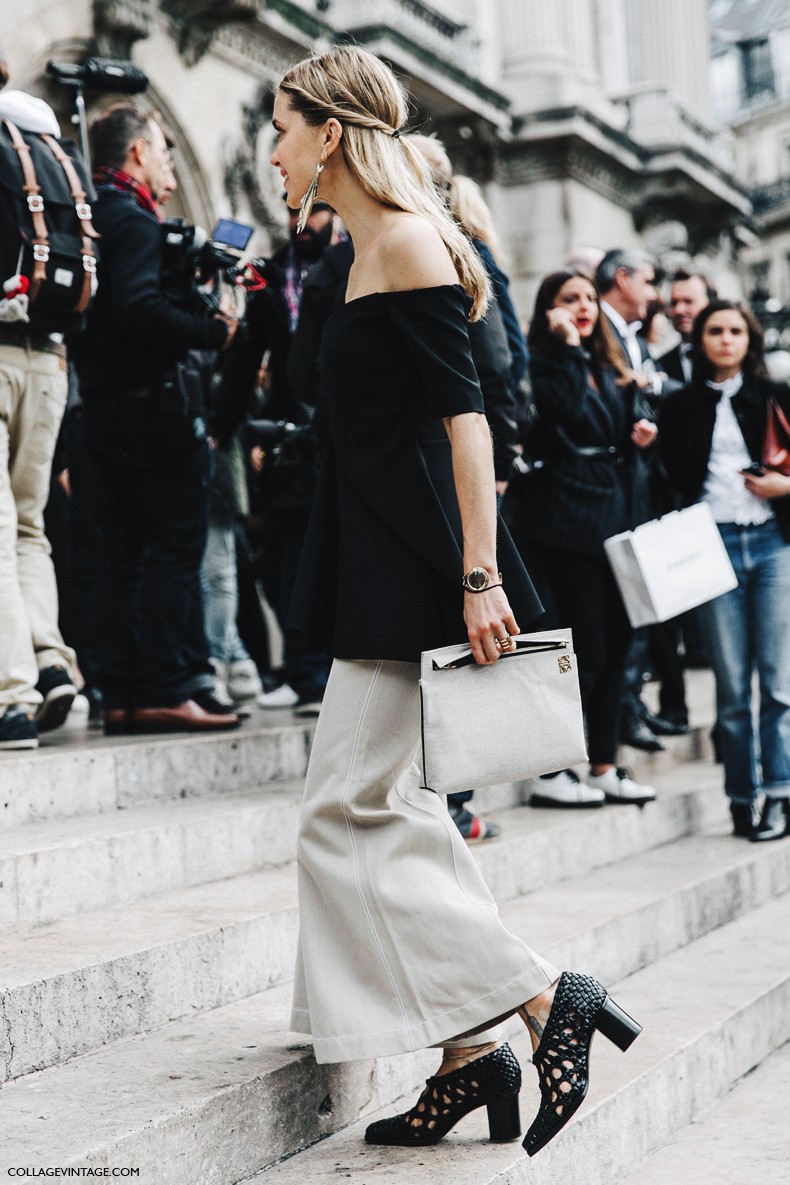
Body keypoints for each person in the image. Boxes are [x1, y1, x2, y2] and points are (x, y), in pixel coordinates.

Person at [270, 44, 642, 1158]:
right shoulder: (356, 245)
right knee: (393, 811)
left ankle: (535, 998)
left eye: (283, 127)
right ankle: (467, 1061)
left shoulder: (410, 239)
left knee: (345, 813)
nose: (273, 149)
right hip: (375, 553)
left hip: (420, 566)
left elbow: (465, 422)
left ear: (330, 132)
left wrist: (479, 575)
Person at [69, 103, 240, 734]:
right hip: (154, 412)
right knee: (173, 549)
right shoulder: (135, 221)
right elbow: (140, 311)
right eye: (163, 152)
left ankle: (122, 691)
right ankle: (171, 684)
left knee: (120, 556)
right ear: (138, 152)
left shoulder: (94, 217)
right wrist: (212, 332)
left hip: (103, 412)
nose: (168, 167)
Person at [513, 268, 657, 808]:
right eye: (568, 299)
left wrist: (640, 434)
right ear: (548, 309)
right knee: (581, 649)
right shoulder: (546, 361)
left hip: (614, 519)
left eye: (590, 299)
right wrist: (569, 346)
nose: (583, 307)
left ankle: (603, 762)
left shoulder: (607, 364)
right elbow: (564, 415)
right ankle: (552, 770)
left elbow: (609, 432)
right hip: (566, 521)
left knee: (617, 647)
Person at [660, 300, 790, 842]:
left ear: (749, 339)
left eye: (736, 331)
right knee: (732, 686)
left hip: (772, 545)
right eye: (716, 331)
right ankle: (742, 797)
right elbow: (667, 480)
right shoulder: (681, 405)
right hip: (710, 549)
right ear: (702, 340)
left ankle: (780, 795)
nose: (726, 340)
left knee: (779, 682)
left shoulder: (777, 396)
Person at [0, 88, 86, 749]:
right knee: (30, 527)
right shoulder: (48, 143)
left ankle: (11, 696)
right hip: (48, 359)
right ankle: (53, 661)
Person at [659, 270, 717, 384]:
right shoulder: (661, 365)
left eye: (688, 301)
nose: (678, 310)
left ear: (711, 304)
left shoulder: (731, 357)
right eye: (674, 303)